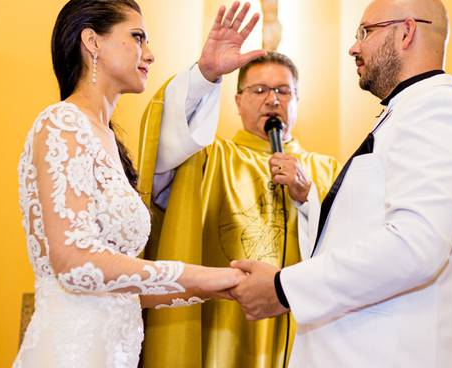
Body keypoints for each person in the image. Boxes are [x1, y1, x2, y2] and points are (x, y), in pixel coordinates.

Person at [230, 0, 452, 367]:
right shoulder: (408, 113)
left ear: (406, 32)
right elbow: (360, 232)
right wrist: (307, 202)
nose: (354, 48)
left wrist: (283, 288)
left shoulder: (437, 114)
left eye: (365, 32)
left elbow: (414, 245)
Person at [13, 0, 264, 367]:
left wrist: (223, 285)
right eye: (137, 37)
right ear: (92, 41)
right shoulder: (62, 123)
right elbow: (74, 263)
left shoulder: (110, 142)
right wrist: (204, 276)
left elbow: (123, 291)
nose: (149, 54)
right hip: (70, 353)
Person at [139, 52, 339, 367]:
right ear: (238, 100)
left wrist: (307, 196)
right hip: (225, 326)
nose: (273, 100)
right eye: (259, 90)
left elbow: (347, 257)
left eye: (283, 91)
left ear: (297, 100)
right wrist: (205, 74)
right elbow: (169, 139)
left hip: (302, 332)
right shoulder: (211, 158)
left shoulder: (328, 171)